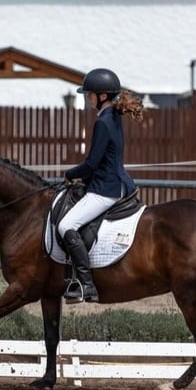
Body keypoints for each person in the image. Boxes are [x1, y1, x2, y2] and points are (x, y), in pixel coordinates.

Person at [58, 68, 144, 304]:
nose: (88, 98)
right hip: (118, 183)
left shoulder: (104, 123)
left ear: (102, 95)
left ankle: (86, 284)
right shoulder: (113, 117)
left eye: (90, 94)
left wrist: (70, 174)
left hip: (104, 189)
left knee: (66, 226)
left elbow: (92, 163)